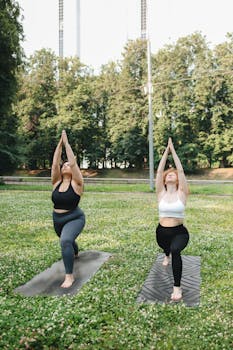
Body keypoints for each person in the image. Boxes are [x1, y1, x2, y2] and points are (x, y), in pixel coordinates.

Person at [155, 137, 189, 301]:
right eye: (168, 175)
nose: (170, 175)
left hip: (179, 232)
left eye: (173, 175)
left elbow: (181, 171)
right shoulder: (160, 193)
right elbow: (159, 171)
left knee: (176, 251)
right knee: (166, 248)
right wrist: (165, 152)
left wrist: (173, 151)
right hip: (161, 232)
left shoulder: (182, 194)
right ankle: (166, 254)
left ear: (177, 179)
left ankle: (177, 287)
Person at [51, 130, 85, 288]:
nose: (65, 166)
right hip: (57, 219)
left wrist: (67, 144)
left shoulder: (77, 183)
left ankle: (69, 276)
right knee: (67, 240)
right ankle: (75, 251)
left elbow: (72, 162)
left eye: (68, 165)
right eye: (63, 165)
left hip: (74, 217)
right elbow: (54, 162)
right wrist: (59, 145)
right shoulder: (56, 182)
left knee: (65, 241)